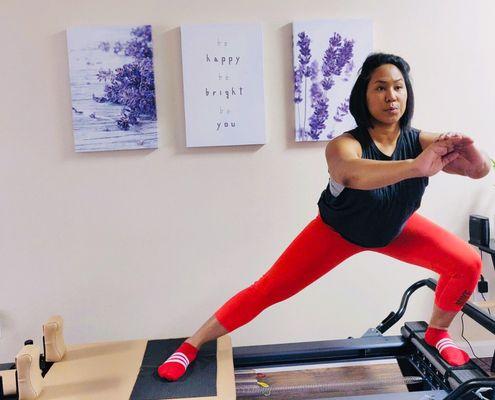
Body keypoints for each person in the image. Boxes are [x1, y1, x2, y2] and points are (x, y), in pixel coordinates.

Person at [158, 53, 491, 381]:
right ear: (364, 95)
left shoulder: (422, 141)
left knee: (466, 263)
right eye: (380, 88)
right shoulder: (344, 145)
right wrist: (415, 167)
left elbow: (478, 170)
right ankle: (190, 345)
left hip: (395, 229)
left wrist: (468, 148)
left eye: (399, 87)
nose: (391, 96)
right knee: (267, 290)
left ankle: (438, 332)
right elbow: (350, 173)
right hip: (337, 233)